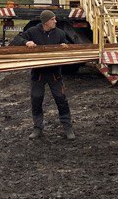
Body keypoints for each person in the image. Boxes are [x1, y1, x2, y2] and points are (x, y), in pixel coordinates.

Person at [11, 9, 74, 140]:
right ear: (46, 22)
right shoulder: (33, 31)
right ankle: (37, 128)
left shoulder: (60, 33)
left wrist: (65, 46)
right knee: (36, 100)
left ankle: (68, 127)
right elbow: (18, 38)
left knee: (61, 100)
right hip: (38, 74)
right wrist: (26, 42)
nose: (55, 21)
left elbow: (67, 45)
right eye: (53, 19)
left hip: (54, 73)